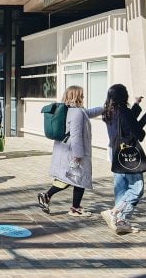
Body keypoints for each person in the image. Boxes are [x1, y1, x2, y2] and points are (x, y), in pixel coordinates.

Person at [37, 85, 103, 217]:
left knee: (68, 178)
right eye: (82, 94)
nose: (84, 96)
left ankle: (47, 196)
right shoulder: (77, 112)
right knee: (79, 179)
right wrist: (77, 155)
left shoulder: (69, 110)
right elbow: (76, 135)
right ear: (77, 96)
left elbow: (89, 113)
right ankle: (75, 208)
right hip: (73, 152)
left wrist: (105, 108)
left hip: (64, 151)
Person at [100, 84, 146, 235]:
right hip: (128, 154)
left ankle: (120, 223)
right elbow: (137, 133)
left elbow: (124, 121)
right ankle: (115, 212)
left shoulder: (108, 112)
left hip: (114, 151)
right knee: (136, 188)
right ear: (123, 96)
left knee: (121, 188)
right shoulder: (124, 112)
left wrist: (136, 105)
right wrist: (143, 122)